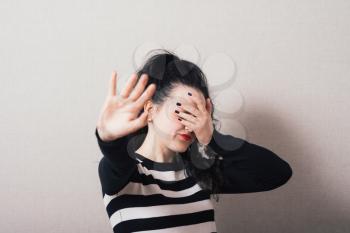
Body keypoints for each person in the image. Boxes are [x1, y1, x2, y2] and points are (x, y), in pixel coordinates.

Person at [95, 49, 293, 233]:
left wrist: (212, 138)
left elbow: (278, 173)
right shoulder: (125, 174)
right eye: (182, 112)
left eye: (197, 115)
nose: (189, 126)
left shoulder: (198, 173)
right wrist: (107, 137)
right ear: (150, 110)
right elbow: (115, 156)